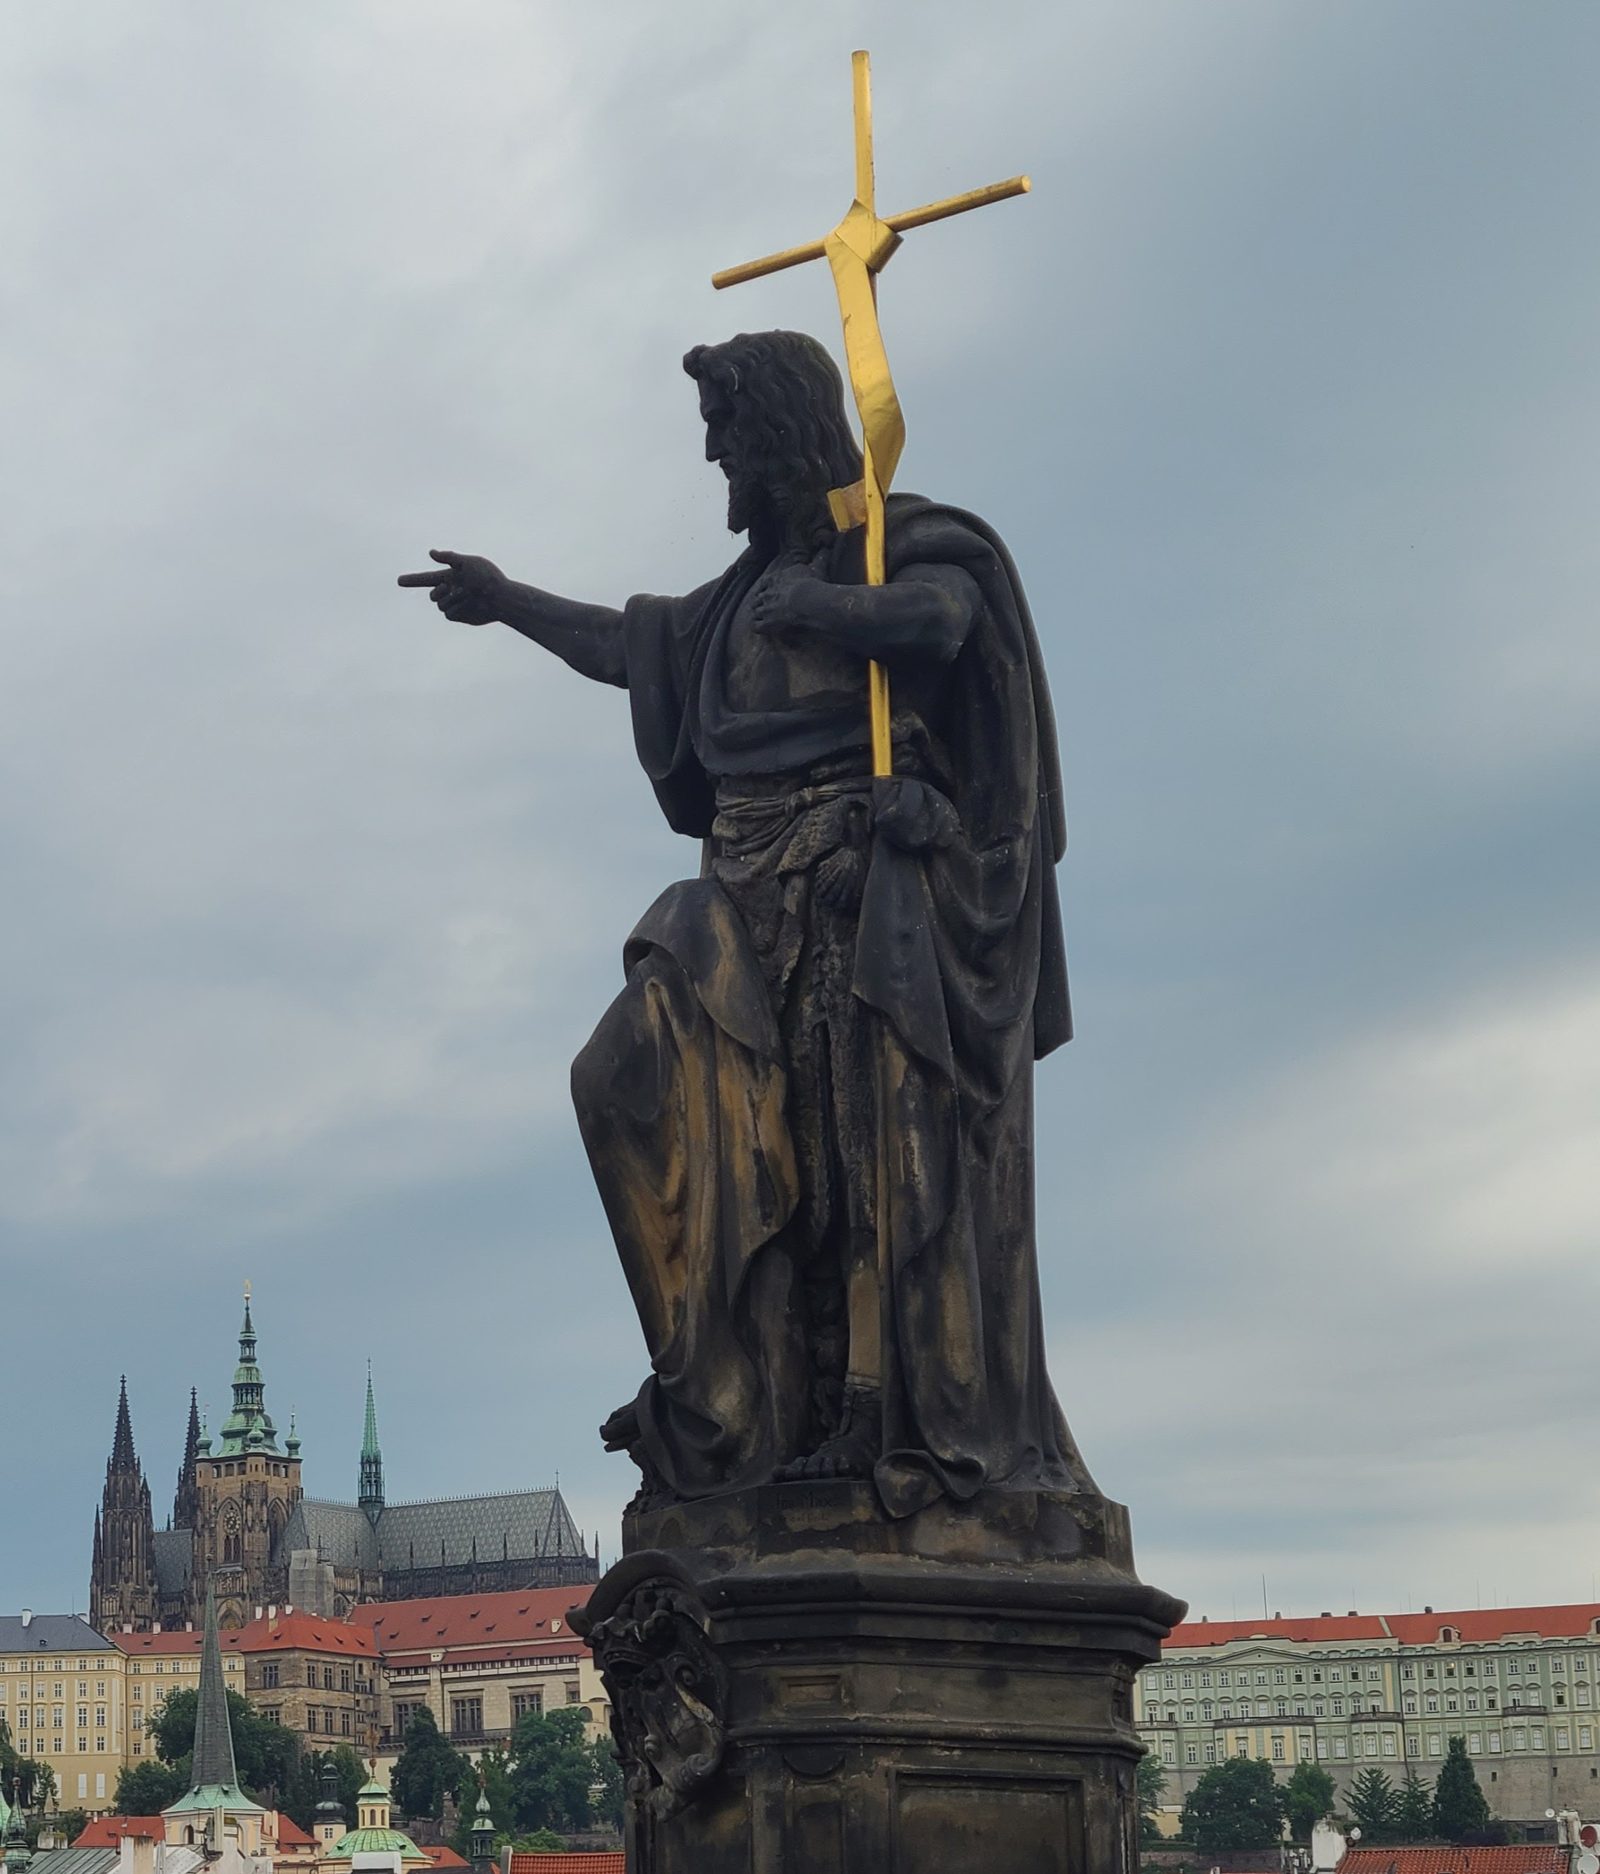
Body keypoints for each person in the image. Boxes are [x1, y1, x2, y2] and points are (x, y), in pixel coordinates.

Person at [401, 330, 1091, 1518]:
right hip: (741, 898)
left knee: (858, 1156)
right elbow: (633, 648)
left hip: (861, 896)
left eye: (725, 433)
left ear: (775, 434)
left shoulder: (902, 545)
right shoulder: (726, 610)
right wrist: (506, 600)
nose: (714, 456)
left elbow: (943, 625)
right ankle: (719, 1386)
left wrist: (824, 606)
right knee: (625, 1075)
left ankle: (874, 1405)